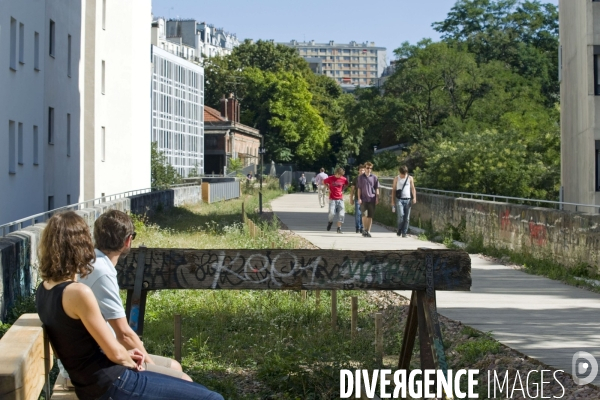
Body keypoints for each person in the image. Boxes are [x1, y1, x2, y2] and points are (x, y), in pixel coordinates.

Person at [35, 211, 224, 400]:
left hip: (93, 384)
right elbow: (115, 351)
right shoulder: (78, 293)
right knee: (212, 398)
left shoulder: (43, 290)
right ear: (81, 245)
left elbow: (85, 345)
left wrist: (128, 354)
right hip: (112, 383)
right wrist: (136, 364)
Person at [77, 210, 187, 379]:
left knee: (174, 366)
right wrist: (150, 366)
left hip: (98, 352)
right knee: (182, 380)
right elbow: (124, 334)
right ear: (128, 241)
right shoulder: (102, 272)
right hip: (102, 361)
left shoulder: (93, 262)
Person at [392, 165, 417, 237]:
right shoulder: (397, 178)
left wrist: (414, 197)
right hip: (399, 199)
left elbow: (413, 188)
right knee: (401, 215)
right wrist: (393, 201)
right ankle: (399, 228)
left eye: (405, 174)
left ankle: (404, 232)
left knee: (407, 218)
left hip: (408, 199)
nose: (404, 175)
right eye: (403, 174)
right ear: (400, 172)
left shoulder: (410, 178)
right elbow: (393, 190)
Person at [357, 161, 379, 238]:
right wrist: (359, 198)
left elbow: (377, 188)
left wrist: (377, 198)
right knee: (364, 215)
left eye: (370, 168)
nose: (368, 169)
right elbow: (359, 188)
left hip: (372, 198)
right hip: (364, 199)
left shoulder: (374, 177)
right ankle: (365, 229)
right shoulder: (360, 177)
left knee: (370, 216)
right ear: (365, 168)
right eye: (367, 168)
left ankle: (368, 231)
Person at [323, 167, 348, 234]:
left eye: (341, 175)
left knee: (341, 214)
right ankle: (330, 222)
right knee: (332, 213)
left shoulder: (343, 179)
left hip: (340, 198)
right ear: (336, 173)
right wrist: (328, 188)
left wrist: (342, 190)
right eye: (339, 175)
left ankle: (339, 228)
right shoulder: (331, 178)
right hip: (332, 198)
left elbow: (346, 184)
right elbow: (324, 182)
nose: (340, 176)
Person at [349, 164, 365, 234]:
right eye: (361, 170)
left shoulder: (366, 178)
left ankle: (362, 227)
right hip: (357, 198)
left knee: (363, 213)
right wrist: (351, 198)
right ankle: (357, 227)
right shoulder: (356, 179)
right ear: (358, 171)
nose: (362, 171)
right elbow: (352, 190)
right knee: (358, 213)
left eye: (363, 170)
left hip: (365, 199)